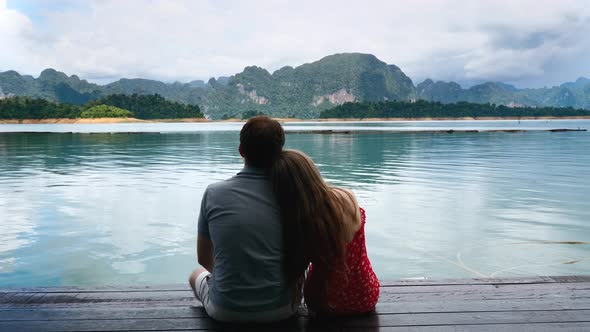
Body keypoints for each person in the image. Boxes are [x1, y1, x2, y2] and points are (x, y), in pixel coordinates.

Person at [189, 116, 298, 322]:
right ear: (279, 153)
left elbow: (203, 259)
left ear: (241, 151)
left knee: (196, 273)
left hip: (225, 311)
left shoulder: (214, 193)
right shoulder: (291, 193)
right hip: (282, 309)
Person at [270, 149, 379, 314]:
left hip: (323, 301)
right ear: (312, 171)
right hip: (365, 295)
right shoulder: (347, 196)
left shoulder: (300, 221)